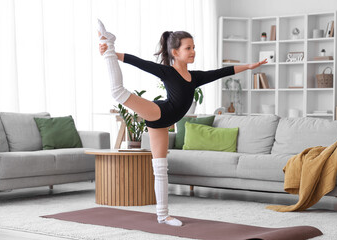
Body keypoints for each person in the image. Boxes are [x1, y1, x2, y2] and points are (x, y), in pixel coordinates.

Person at [97, 19, 267, 227]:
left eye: (194, 47)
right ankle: (109, 44)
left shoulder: (194, 77)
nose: (193, 51)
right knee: (118, 92)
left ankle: (163, 215)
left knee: (160, 167)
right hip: (159, 112)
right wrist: (111, 52)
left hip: (165, 121)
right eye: (188, 48)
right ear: (175, 52)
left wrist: (249, 66)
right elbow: (138, 61)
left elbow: (222, 72)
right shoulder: (167, 72)